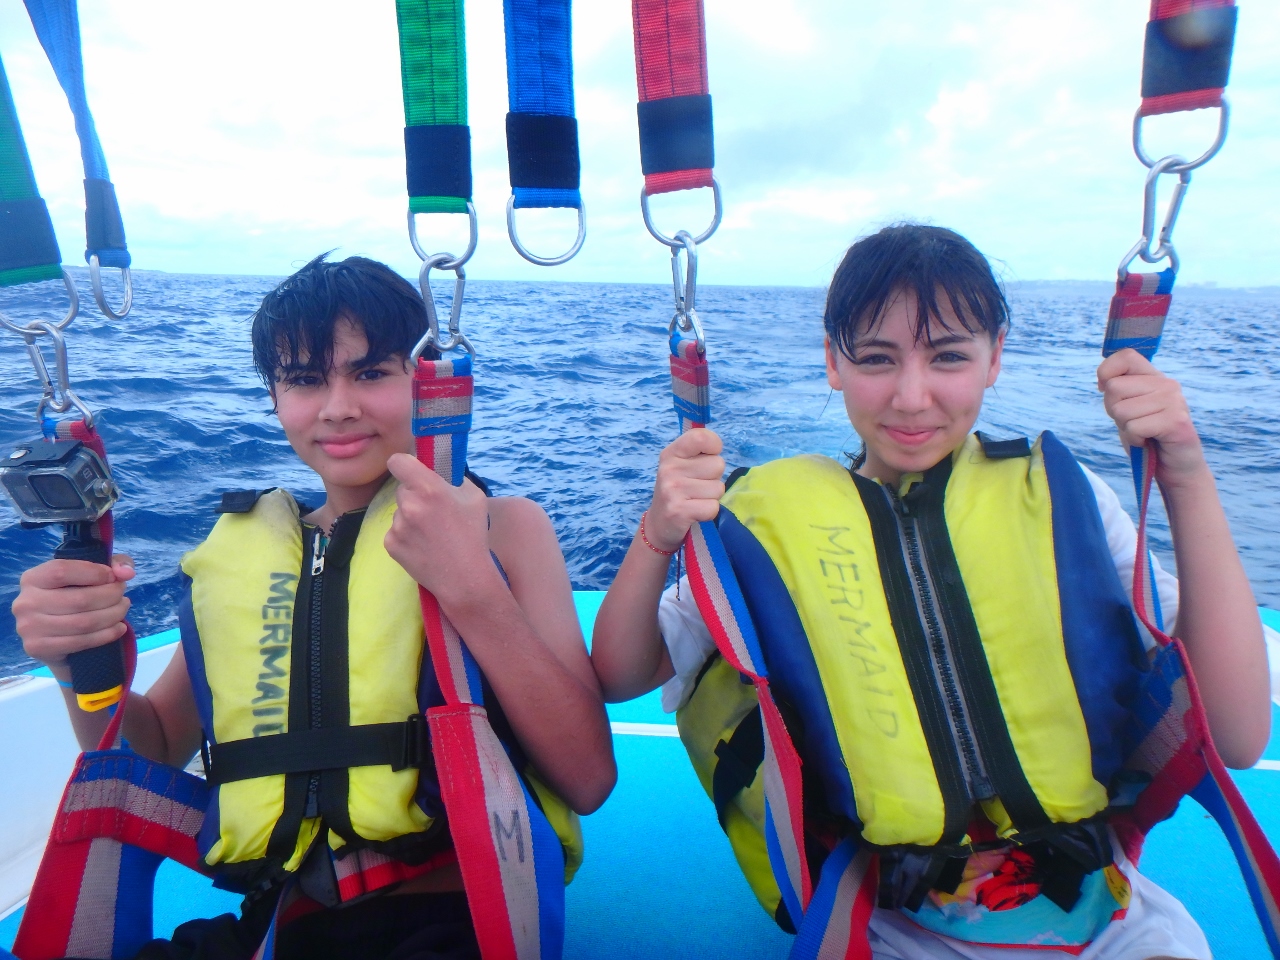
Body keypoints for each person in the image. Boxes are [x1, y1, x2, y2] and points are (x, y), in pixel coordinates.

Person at [590, 224, 1269, 960]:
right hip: (888, 925)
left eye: (948, 356)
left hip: (1111, 920)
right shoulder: (769, 532)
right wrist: (658, 531)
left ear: (995, 358)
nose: (912, 398)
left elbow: (1237, 736)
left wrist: (1186, 474)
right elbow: (623, 674)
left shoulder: (1062, 503)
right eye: (877, 359)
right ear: (833, 362)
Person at [13, 254, 616, 959]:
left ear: (424, 382)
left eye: (371, 372)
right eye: (304, 380)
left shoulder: (502, 527)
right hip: (281, 923)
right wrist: (77, 665)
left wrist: (472, 589)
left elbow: (587, 777)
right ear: (274, 398)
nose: (337, 407)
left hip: (453, 912)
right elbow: (147, 749)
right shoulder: (243, 554)